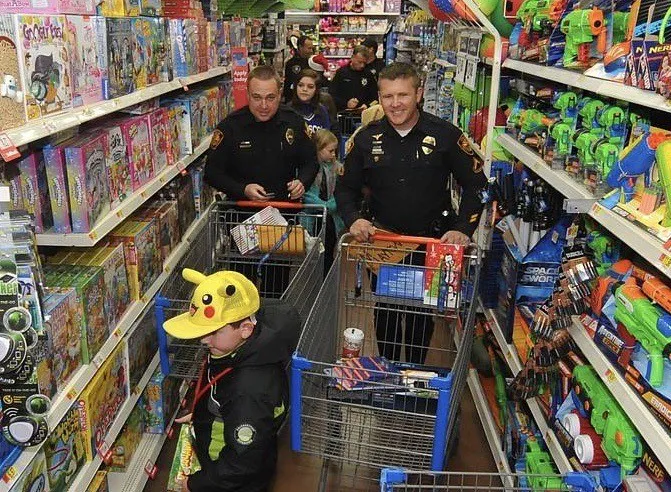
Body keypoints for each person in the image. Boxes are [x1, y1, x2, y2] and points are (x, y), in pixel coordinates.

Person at [335, 62, 487, 364]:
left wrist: (462, 229)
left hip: (430, 243)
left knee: (420, 316)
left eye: (402, 95)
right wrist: (354, 219)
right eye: (387, 96)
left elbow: (477, 186)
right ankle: (388, 374)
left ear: (418, 94)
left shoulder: (445, 135)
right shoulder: (366, 139)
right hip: (384, 243)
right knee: (386, 313)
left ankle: (412, 374)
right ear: (379, 97)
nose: (395, 104)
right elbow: (344, 189)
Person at [166, 268, 301, 492]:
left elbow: (242, 462)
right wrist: (204, 412)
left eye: (214, 332)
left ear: (246, 329)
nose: (204, 340)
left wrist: (197, 484)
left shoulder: (249, 390)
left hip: (233, 482)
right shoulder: (234, 350)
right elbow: (223, 392)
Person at [204, 65, 318, 202]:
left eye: (270, 98)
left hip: (285, 210)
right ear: (248, 95)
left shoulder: (294, 122)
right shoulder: (230, 126)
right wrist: (242, 189)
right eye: (257, 97)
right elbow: (212, 173)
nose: (264, 106)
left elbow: (311, 162)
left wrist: (302, 182)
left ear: (279, 95)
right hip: (242, 213)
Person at [304, 129, 344, 271]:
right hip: (312, 218)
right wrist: (323, 205)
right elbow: (305, 194)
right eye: (330, 151)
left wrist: (329, 205)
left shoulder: (338, 169)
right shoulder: (308, 170)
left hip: (331, 218)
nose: (334, 154)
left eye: (335, 151)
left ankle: (325, 280)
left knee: (328, 251)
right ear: (319, 149)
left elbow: (340, 192)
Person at [329, 45, 377, 111]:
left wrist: (367, 105)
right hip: (344, 114)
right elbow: (332, 95)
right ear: (352, 58)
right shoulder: (342, 72)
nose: (362, 65)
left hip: (364, 114)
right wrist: (346, 104)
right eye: (360, 62)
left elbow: (375, 97)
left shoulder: (368, 75)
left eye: (364, 63)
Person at [290, 68, 334, 137]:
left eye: (310, 87)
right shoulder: (288, 110)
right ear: (295, 87)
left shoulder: (322, 111)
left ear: (316, 90)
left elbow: (327, 140)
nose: (304, 89)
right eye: (300, 85)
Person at [283, 35, 313, 103]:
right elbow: (289, 84)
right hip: (294, 100)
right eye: (309, 48)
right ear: (300, 47)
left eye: (312, 48)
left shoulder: (312, 62)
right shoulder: (292, 63)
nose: (311, 51)